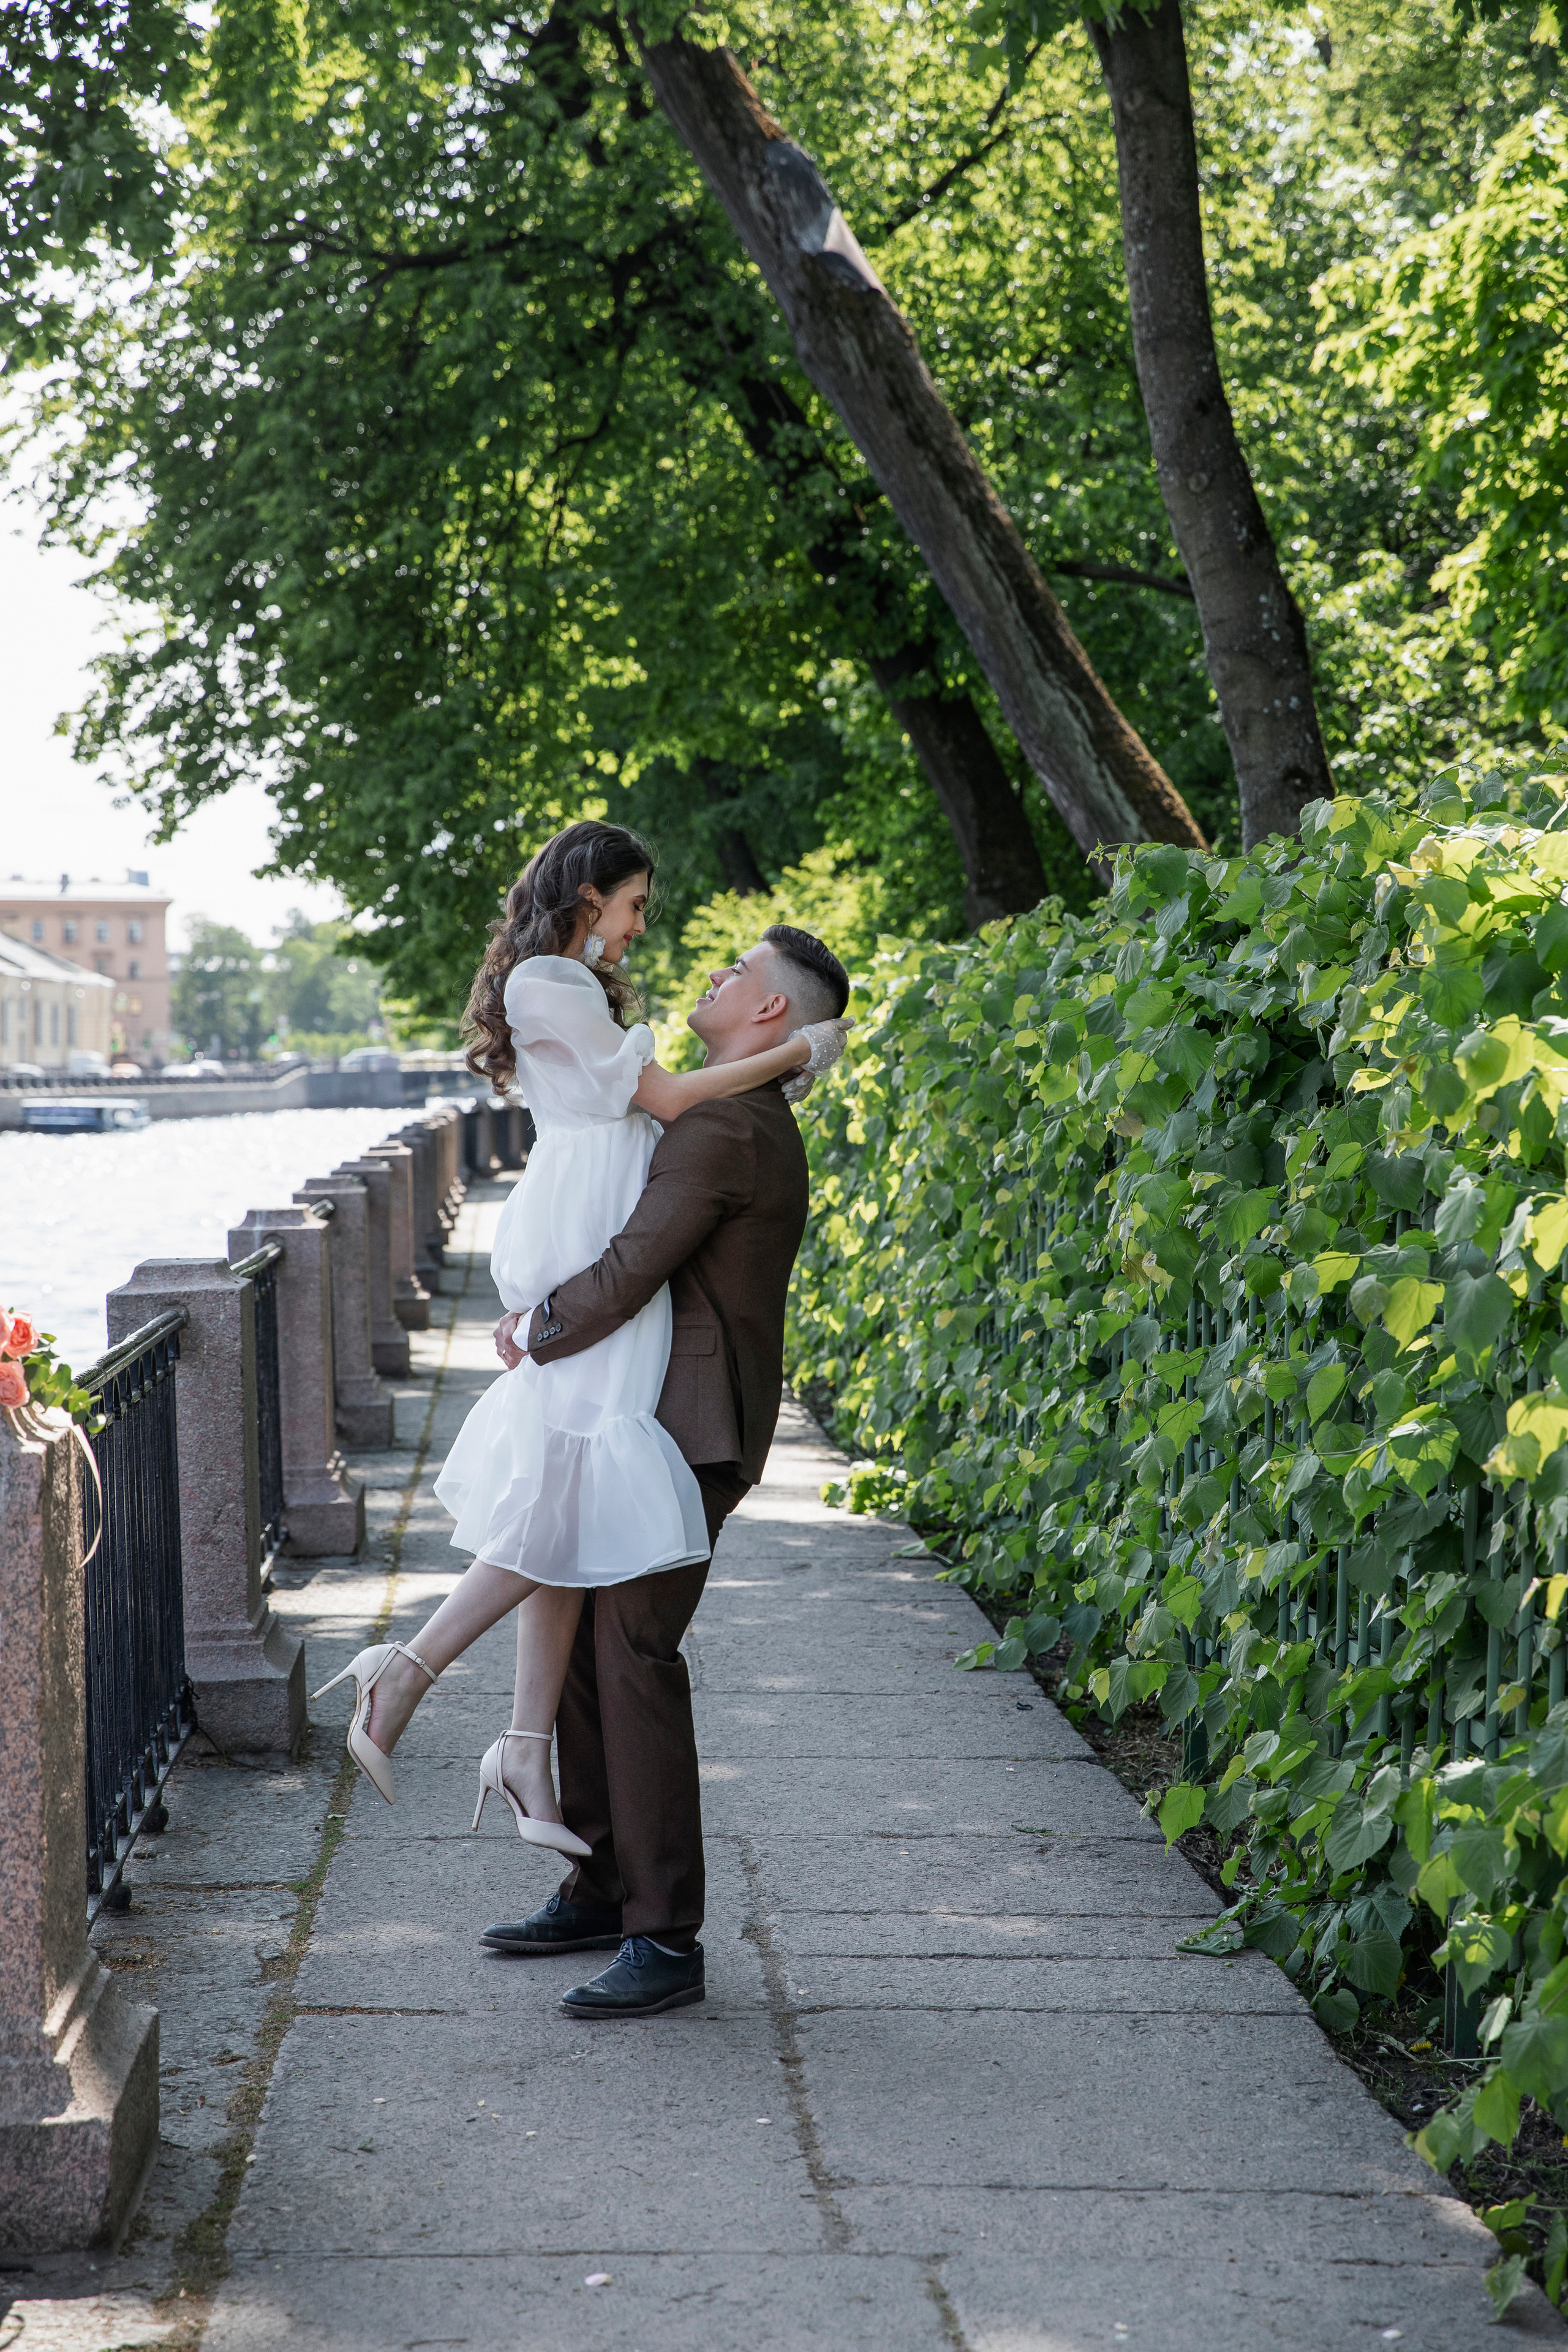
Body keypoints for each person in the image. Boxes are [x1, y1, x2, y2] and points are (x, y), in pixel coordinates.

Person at [311, 821, 850, 1862]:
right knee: (566, 1488)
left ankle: (521, 1745)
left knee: (568, 1498)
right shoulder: (549, 982)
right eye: (636, 904)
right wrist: (798, 1055)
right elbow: (667, 1099)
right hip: (584, 1235)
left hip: (598, 1230)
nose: (643, 927)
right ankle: (408, 1670)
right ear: (590, 894)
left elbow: (661, 1106)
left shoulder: (575, 988)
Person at [476, 916, 850, 2018]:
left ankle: (666, 1936)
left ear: (770, 1009)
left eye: (740, 971)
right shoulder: (726, 1109)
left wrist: (533, 1328)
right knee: (589, 1651)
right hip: (656, 1419)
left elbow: (633, 1266)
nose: (717, 974)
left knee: (633, 1654)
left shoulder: (727, 1125)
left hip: (692, 1432)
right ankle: (600, 1886)